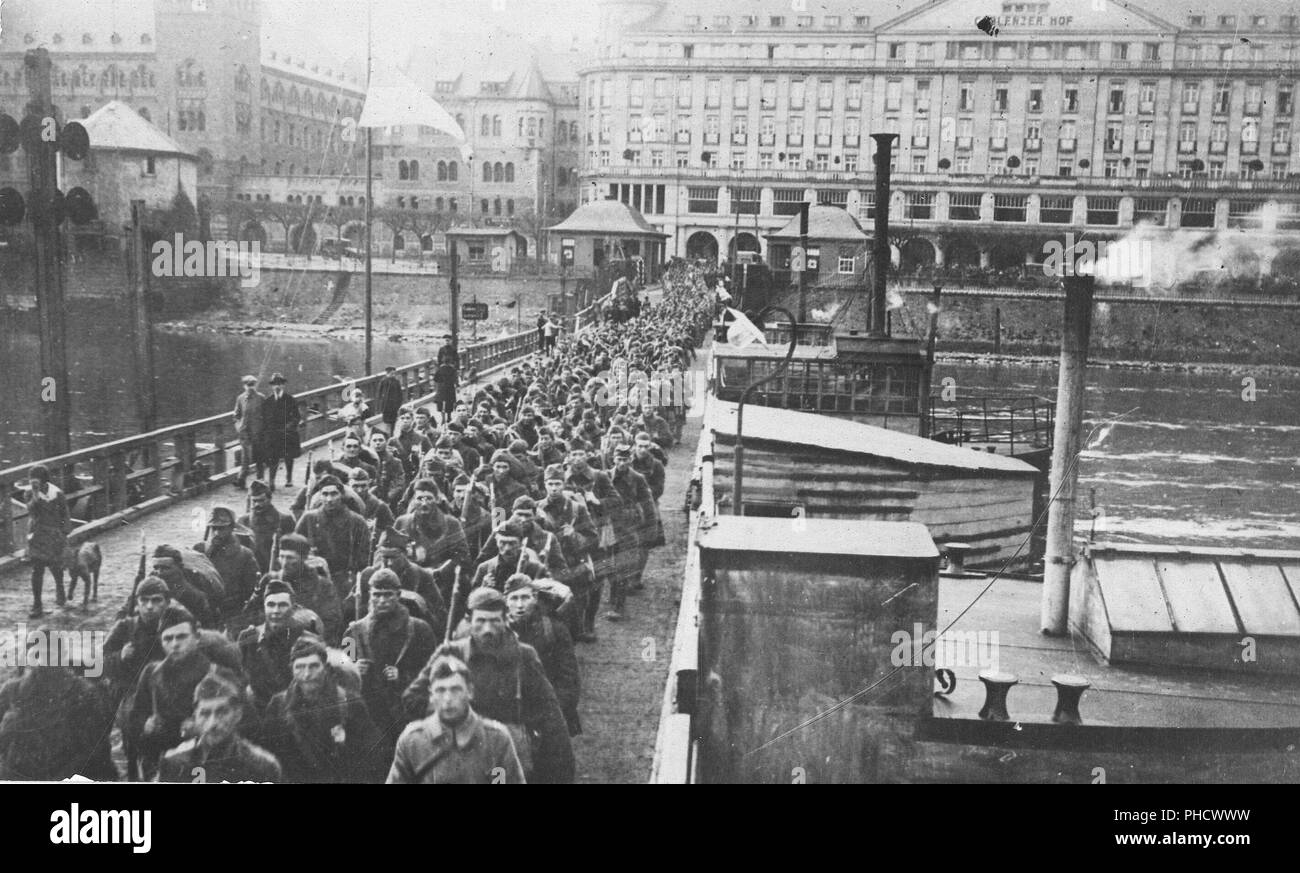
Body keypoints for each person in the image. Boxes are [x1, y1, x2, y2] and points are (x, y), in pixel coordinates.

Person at [402, 587, 573, 784]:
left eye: (494, 621)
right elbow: (413, 698)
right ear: (470, 621)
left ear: (505, 620)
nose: (488, 629)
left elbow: (550, 713)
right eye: (481, 621)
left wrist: (561, 770)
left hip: (502, 756)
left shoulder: (523, 656)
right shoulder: (451, 653)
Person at [127, 606, 245, 781]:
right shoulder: (151, 673)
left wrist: (203, 726)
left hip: (204, 766)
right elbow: (133, 717)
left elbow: (245, 724)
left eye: (181, 636)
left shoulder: (220, 675)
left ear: (196, 637)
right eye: (168, 638)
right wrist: (145, 724)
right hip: (160, 765)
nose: (175, 644)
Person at [344, 568, 439, 765]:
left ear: (398, 595)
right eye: (377, 595)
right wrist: (355, 669)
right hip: (370, 714)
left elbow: (433, 672)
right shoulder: (354, 632)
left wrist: (404, 675)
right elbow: (342, 675)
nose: (382, 600)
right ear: (370, 596)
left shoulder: (419, 629)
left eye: (388, 595)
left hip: (407, 710)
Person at [262, 634, 386, 783]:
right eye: (299, 667)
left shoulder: (350, 702)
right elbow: (271, 760)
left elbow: (372, 757)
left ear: (326, 668)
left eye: (314, 666)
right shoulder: (278, 706)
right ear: (291, 670)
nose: (307, 674)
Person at [387, 653, 524, 784]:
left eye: (455, 689)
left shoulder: (496, 740)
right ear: (431, 695)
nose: (448, 699)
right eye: (440, 690)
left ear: (469, 691)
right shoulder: (412, 741)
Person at [0, 631, 118, 781]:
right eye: (37, 655)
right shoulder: (12, 692)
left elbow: (96, 752)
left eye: (50, 655)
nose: (43, 661)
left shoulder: (85, 694)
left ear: (63, 657)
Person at [157, 670, 281, 783]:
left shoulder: (261, 766)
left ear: (237, 714)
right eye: (205, 714)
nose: (213, 723)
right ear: (195, 717)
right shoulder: (175, 763)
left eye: (221, 713)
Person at [505, 575, 580, 737]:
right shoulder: (499, 631)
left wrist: (553, 713)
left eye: (525, 598)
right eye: (514, 598)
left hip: (548, 713)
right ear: (505, 601)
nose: (519, 605)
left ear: (535, 598)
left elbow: (569, 678)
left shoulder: (553, 629)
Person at [236, 579, 310, 714]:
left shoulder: (305, 639)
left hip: (294, 711)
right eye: (270, 605)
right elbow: (238, 676)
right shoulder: (249, 638)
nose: (276, 611)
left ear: (293, 609)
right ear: (264, 607)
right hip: (258, 712)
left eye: (282, 605)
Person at [294, 475, 371, 601]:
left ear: (341, 495)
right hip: (315, 580)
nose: (329, 499)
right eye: (325, 494)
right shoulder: (309, 519)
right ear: (319, 495)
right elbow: (295, 549)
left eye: (334, 494)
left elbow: (364, 558)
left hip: (345, 582)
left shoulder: (356, 522)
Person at [194, 506, 261, 632]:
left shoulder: (244, 555)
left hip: (233, 614)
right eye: (214, 528)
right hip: (206, 613)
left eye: (222, 528)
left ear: (231, 528)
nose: (217, 533)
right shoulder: (200, 550)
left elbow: (252, 589)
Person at [24, 465, 70, 617]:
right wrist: (35, 494)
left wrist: (64, 534)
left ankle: (60, 588)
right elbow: (31, 510)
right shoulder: (29, 493)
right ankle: (37, 604)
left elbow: (65, 514)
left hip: (54, 535)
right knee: (37, 569)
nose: (34, 484)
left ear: (45, 481)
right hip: (37, 535)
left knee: (56, 567)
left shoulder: (57, 493)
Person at [237, 480, 295, 574]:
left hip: (276, 572)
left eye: (261, 500)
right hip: (251, 571)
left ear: (269, 499)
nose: (257, 505)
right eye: (254, 501)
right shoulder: (243, 521)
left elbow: (293, 552)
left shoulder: (284, 520)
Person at [262, 373, 303, 490]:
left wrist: (289, 426)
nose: (277, 386)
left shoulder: (290, 400)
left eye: (279, 384)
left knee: (288, 456)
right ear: (272, 386)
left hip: (287, 432)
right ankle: (271, 481)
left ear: (283, 385)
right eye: (275, 384)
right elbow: (265, 418)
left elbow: (296, 416)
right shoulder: (268, 401)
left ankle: (289, 477)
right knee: (272, 457)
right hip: (273, 433)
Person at [233, 375, 266, 489]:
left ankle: (260, 481)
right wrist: (239, 427)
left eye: (252, 385)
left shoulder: (261, 398)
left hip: (258, 432)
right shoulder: (241, 398)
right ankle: (241, 479)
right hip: (245, 433)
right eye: (248, 385)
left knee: (259, 458)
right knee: (245, 457)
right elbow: (236, 415)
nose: (250, 387)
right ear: (244, 386)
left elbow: (266, 415)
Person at [376, 365, 405, 432]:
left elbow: (400, 393)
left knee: (393, 421)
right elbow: (379, 394)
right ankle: (387, 434)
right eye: (391, 374)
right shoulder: (383, 381)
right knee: (386, 422)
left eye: (394, 374)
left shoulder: (396, 382)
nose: (393, 375)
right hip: (386, 406)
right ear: (387, 373)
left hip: (394, 405)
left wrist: (399, 403)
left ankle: (391, 433)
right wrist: (379, 405)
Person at [433, 357, 458, 424]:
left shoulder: (440, 369)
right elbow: (455, 378)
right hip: (450, 388)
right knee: (449, 402)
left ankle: (443, 419)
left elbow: (435, 379)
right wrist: (457, 385)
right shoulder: (452, 369)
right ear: (450, 362)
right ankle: (449, 417)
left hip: (441, 388)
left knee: (441, 403)